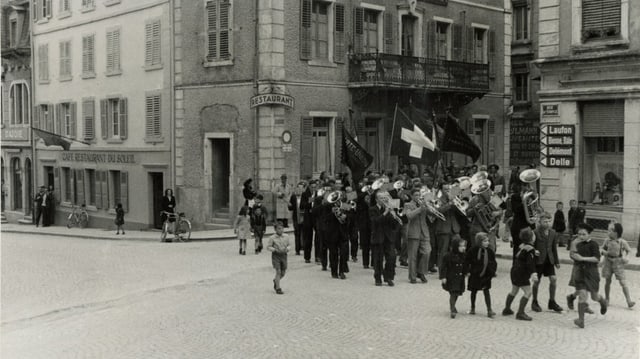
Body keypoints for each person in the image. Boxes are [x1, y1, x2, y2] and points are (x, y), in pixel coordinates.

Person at [572, 223, 608, 328]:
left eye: (583, 234)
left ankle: (602, 302)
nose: (581, 236)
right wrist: (574, 256)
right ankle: (581, 320)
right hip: (580, 272)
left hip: (591, 273)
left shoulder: (594, 244)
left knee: (594, 297)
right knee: (582, 295)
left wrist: (582, 258)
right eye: (579, 234)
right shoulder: (577, 244)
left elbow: (597, 259)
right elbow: (574, 255)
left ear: (589, 235)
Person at [502, 228, 539, 321]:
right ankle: (520, 312)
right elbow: (530, 263)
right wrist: (533, 273)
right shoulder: (530, 250)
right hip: (522, 273)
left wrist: (534, 253)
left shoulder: (522, 246)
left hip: (514, 271)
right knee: (528, 292)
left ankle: (507, 309)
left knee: (514, 290)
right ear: (532, 238)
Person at [531, 212, 563, 313]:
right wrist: (533, 251)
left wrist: (556, 261)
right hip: (538, 261)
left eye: (549, 221)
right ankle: (534, 301)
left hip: (549, 260)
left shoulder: (553, 232)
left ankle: (552, 301)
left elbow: (554, 248)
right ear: (539, 222)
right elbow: (531, 245)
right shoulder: (535, 232)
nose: (547, 223)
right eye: (545, 221)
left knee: (553, 279)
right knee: (536, 281)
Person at [369, 190, 400, 287]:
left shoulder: (389, 209)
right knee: (378, 260)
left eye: (385, 198)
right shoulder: (372, 209)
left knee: (392, 258)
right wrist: (385, 213)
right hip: (378, 237)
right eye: (382, 198)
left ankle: (388, 277)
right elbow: (375, 222)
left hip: (389, 237)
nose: (384, 200)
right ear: (377, 199)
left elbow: (394, 225)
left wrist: (394, 216)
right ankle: (378, 278)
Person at [601, 222, 635, 308]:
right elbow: (602, 249)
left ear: (616, 232)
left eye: (609, 231)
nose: (608, 232)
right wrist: (603, 253)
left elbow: (628, 251)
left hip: (618, 262)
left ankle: (629, 300)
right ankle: (607, 298)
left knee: (623, 282)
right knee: (607, 281)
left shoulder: (622, 242)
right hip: (608, 261)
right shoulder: (607, 241)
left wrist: (626, 258)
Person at [465, 232, 497, 318]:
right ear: (479, 242)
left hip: (486, 275)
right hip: (475, 274)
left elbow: (493, 262)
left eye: (488, 241)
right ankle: (472, 307)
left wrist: (492, 271)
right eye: (485, 241)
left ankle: (489, 309)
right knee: (473, 292)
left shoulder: (490, 251)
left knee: (486, 291)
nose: (487, 243)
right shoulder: (473, 250)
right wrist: (468, 271)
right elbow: (467, 261)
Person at [403, 188, 431, 284]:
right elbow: (409, 216)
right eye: (415, 195)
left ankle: (421, 272)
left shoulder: (423, 204)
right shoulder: (408, 205)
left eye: (419, 195)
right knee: (413, 256)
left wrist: (429, 207)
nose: (417, 197)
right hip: (413, 232)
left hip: (424, 231)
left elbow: (432, 216)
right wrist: (420, 209)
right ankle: (412, 276)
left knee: (427, 251)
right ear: (411, 196)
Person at [440, 237, 467, 318]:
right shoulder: (448, 256)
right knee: (453, 293)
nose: (463, 248)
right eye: (461, 246)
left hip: (460, 278)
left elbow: (465, 265)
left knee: (457, 293)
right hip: (451, 278)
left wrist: (467, 272)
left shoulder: (464, 256)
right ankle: (452, 309)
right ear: (455, 246)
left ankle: (453, 306)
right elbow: (444, 267)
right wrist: (443, 277)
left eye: (464, 246)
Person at [267, 222, 290, 295]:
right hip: (276, 256)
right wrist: (274, 249)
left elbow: (289, 245)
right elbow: (268, 247)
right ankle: (278, 288)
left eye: (282, 228)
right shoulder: (272, 238)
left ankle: (276, 281)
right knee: (278, 271)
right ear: (275, 229)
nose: (281, 230)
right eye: (279, 229)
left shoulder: (286, 236)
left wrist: (287, 249)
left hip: (284, 255)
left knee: (283, 272)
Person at [300, 180, 317, 263]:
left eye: (315, 187)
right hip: (308, 217)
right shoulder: (304, 194)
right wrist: (310, 201)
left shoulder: (318, 194)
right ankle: (307, 257)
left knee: (318, 238)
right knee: (308, 238)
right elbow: (301, 206)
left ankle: (318, 256)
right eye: (312, 187)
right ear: (309, 186)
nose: (314, 188)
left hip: (316, 217)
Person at [289, 181, 305, 256]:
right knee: (297, 233)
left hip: (304, 217)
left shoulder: (305, 196)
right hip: (296, 217)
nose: (299, 190)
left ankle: (303, 247)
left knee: (304, 233)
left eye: (301, 188)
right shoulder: (293, 197)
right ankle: (297, 249)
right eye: (298, 188)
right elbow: (290, 208)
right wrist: (289, 205)